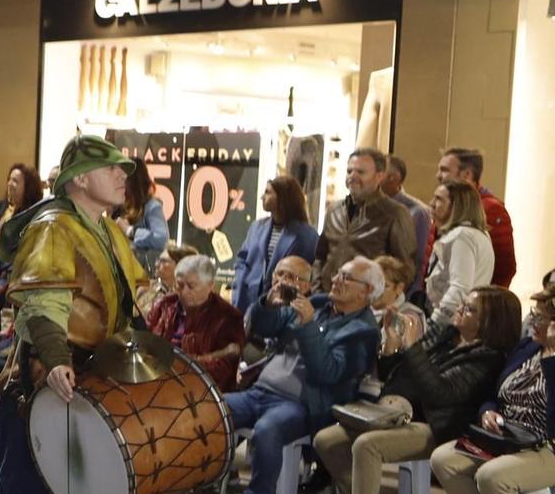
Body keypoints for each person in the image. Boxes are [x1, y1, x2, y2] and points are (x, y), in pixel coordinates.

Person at [0, 136, 163, 494]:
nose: (124, 178)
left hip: (100, 368)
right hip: (50, 367)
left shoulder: (107, 229)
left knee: (104, 471)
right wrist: (57, 359)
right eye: (113, 170)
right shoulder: (53, 227)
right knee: (35, 473)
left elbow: (125, 306)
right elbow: (42, 303)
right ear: (80, 178)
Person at [317, 285, 515, 494]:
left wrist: (412, 346)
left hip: (438, 427)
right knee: (327, 439)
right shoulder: (448, 336)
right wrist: (392, 345)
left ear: (489, 322)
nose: (460, 310)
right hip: (401, 414)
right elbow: (399, 376)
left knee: (366, 445)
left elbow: (440, 395)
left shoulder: (487, 358)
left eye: (471, 309)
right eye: (464, 304)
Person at [222, 256, 383, 494]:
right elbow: (266, 327)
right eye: (336, 275)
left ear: (366, 292)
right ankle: (193, 484)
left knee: (268, 430)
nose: (335, 280)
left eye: (346, 278)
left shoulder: (364, 332)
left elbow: (328, 372)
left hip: (302, 405)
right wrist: (268, 304)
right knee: (210, 409)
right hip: (259, 391)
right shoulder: (321, 304)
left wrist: (308, 326)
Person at [430, 281, 555, 494]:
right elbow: (493, 391)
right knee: (444, 459)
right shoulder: (526, 348)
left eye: (540, 318)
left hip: (544, 447)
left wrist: (551, 360)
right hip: (506, 436)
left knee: (492, 476)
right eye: (533, 316)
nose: (532, 323)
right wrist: (489, 411)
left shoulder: (548, 357)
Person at [315, 147, 415, 291]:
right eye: (349, 171)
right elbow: (320, 256)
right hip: (326, 298)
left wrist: (378, 298)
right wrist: (316, 289)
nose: (353, 176)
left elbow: (405, 268)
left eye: (361, 172)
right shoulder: (334, 210)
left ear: (379, 176)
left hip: (366, 303)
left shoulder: (395, 213)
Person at [145, 255, 246, 393]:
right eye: (179, 285)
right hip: (156, 377)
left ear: (210, 286)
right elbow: (144, 338)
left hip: (199, 390)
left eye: (191, 286)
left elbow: (222, 369)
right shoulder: (165, 305)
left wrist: (173, 363)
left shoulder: (228, 317)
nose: (184, 291)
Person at [232, 175, 319, 313]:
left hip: (282, 307)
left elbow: (308, 273)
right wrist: (240, 284)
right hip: (248, 301)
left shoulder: (306, 235)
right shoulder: (257, 227)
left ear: (282, 197)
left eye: (267, 192)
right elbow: (242, 259)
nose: (262, 197)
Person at [435, 146, 514, 288]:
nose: (438, 175)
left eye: (444, 170)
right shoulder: (445, 204)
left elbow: (504, 266)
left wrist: (484, 302)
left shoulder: (491, 209)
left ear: (466, 175)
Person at [423, 179, 493, 330]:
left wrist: (433, 325)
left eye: (439, 199)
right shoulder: (475, 234)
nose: (431, 203)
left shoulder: (462, 236)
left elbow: (460, 288)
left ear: (457, 206)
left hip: (451, 326)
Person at [382, 155, 432, 285]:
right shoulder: (367, 207)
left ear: (393, 178)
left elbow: (418, 260)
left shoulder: (417, 212)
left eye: (379, 171)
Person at [371, 254, 428, 364]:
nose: (376, 290)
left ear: (399, 288)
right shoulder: (361, 307)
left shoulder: (408, 317)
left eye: (384, 286)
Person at [121, 161, 169, 271]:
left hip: (142, 273)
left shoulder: (152, 206)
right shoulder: (120, 205)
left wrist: (130, 231)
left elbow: (160, 238)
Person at [0, 162, 42, 226]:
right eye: (9, 179)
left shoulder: (33, 215)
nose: (9, 184)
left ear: (28, 187)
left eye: (15, 181)